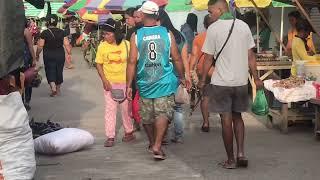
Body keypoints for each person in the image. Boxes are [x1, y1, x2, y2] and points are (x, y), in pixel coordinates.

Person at [199, 0, 263, 169]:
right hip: (241, 82)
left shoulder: (213, 29)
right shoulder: (243, 26)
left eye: (211, 11)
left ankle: (231, 160)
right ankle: (241, 153)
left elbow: (207, 59)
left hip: (221, 83)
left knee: (226, 120)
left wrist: (202, 79)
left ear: (220, 9)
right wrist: (255, 78)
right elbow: (251, 56)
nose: (210, 15)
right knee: (238, 117)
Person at [126, 1, 186, 160]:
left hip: (144, 82)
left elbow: (132, 62)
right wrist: (182, 77)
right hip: (164, 81)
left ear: (143, 15)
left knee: (146, 116)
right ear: (156, 15)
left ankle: (154, 143)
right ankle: (157, 145)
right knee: (162, 114)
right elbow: (177, 58)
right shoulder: (167, 33)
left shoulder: (136, 36)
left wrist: (128, 85)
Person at [95, 19, 135, 147]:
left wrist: (130, 83)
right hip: (110, 84)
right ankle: (110, 136)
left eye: (107, 34)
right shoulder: (102, 46)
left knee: (126, 110)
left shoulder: (127, 45)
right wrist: (104, 80)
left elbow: (133, 63)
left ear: (116, 33)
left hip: (125, 83)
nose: (105, 36)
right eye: (104, 34)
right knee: (110, 110)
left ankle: (129, 132)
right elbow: (99, 64)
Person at [158, 9, 191, 143]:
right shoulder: (180, 36)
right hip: (178, 76)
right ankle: (178, 135)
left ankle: (163, 136)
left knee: (162, 108)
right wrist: (187, 76)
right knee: (177, 107)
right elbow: (184, 59)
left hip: (163, 76)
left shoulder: (161, 36)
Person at [36, 14, 72, 97]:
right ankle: (58, 90)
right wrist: (69, 53)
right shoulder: (62, 32)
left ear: (47, 23)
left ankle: (53, 88)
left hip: (48, 55)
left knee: (50, 70)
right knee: (59, 71)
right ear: (56, 22)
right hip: (60, 55)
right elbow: (67, 44)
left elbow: (40, 46)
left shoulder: (44, 32)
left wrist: (37, 54)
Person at [189, 14, 214, 132]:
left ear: (204, 25)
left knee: (205, 97)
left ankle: (206, 122)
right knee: (222, 97)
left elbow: (194, 56)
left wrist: (190, 70)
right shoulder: (221, 36)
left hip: (202, 70)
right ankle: (225, 119)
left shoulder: (198, 38)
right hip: (218, 70)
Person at [23, 19, 37, 110]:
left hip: (14, 59)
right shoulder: (25, 31)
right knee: (27, 79)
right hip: (25, 57)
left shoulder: (11, 29)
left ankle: (20, 101)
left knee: (17, 81)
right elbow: (30, 45)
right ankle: (27, 101)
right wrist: (34, 58)